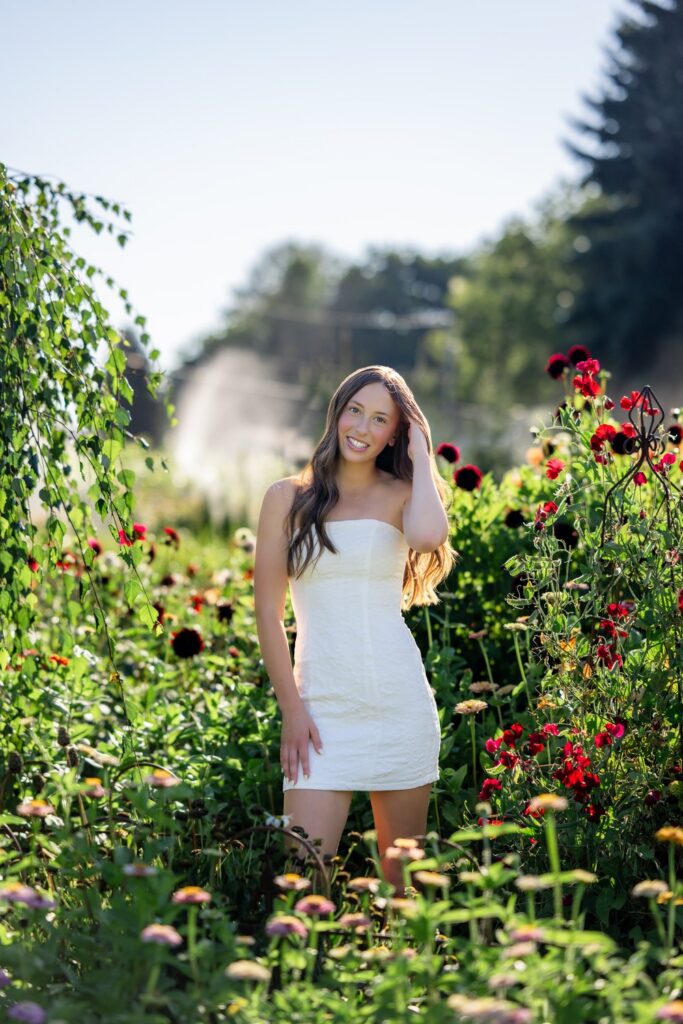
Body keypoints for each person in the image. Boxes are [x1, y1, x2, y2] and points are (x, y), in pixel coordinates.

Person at [254, 365, 457, 895]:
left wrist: (422, 454)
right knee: (303, 886)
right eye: (355, 411)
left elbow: (432, 535)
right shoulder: (285, 499)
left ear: (397, 431)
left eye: (381, 419)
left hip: (398, 704)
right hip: (319, 712)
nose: (363, 428)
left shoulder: (402, 493)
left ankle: (402, 976)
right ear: (337, 413)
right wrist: (292, 711)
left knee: (401, 889)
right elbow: (268, 615)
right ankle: (306, 979)